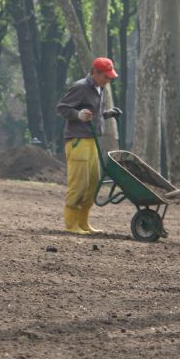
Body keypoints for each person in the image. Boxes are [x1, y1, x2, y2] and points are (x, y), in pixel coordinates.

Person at [55, 57, 122, 235]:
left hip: (91, 140)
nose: (109, 80)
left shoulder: (98, 88)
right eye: (106, 77)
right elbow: (61, 108)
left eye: (110, 77)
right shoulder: (80, 87)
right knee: (79, 184)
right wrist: (78, 114)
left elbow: (92, 113)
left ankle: (83, 223)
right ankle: (71, 225)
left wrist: (107, 114)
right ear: (95, 72)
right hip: (77, 141)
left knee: (93, 183)